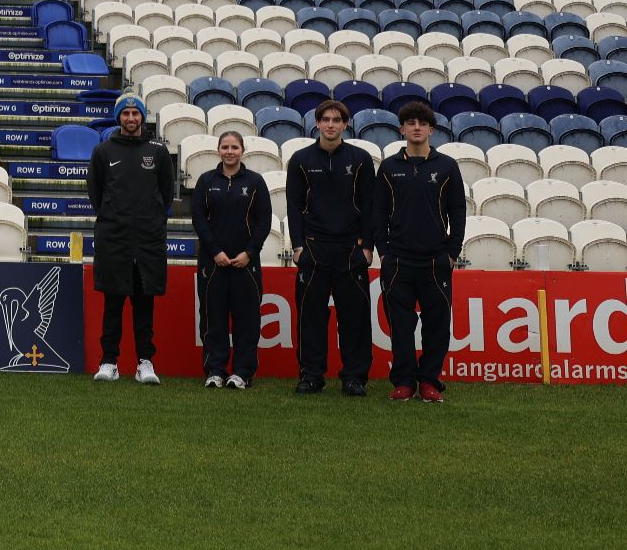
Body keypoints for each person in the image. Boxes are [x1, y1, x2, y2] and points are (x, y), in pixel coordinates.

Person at [371, 102, 465, 404]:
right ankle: (404, 382)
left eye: (422, 123)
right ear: (402, 129)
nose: (416, 128)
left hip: (436, 259)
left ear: (430, 130)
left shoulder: (447, 166)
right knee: (400, 325)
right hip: (398, 260)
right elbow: (378, 213)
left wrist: (452, 252)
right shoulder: (389, 167)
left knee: (437, 324)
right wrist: (383, 252)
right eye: (410, 123)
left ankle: (429, 380)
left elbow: (458, 211)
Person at [285, 99, 378, 396]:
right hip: (313, 249)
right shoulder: (300, 159)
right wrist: (298, 247)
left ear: (345, 124)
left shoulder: (361, 159)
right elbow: (293, 205)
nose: (330, 124)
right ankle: (311, 375)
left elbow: (370, 206)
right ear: (316, 123)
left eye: (336, 120)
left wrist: (367, 247)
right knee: (310, 317)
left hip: (351, 250)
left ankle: (354, 377)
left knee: (354, 317)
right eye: (325, 119)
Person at [87, 94, 177, 385]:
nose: (130, 118)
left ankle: (144, 363)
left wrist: (148, 222)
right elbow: (96, 195)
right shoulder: (103, 151)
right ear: (118, 117)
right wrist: (116, 220)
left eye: (135, 113)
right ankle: (109, 361)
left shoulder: (158, 151)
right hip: (114, 240)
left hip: (147, 242)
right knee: (112, 306)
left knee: (144, 307)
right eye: (125, 113)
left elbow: (165, 195)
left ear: (142, 117)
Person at [191, 131, 272, 389]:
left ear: (242, 150)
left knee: (246, 321)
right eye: (225, 147)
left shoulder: (256, 182)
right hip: (212, 263)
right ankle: (215, 370)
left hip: (246, 263)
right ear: (218, 150)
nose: (229, 151)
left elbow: (264, 221)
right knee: (213, 319)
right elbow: (199, 220)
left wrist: (249, 252)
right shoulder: (205, 181)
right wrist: (215, 251)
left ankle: (242, 373)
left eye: (234, 147)